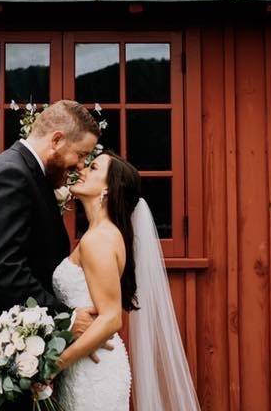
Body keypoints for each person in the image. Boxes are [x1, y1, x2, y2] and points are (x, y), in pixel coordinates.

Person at [0, 100, 113, 411]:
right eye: (81, 154)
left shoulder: (27, 173)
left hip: (19, 348)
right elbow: (4, 269)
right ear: (57, 140)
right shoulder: (11, 177)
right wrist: (68, 317)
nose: (80, 165)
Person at [51, 149, 202, 410]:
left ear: (108, 189)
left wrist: (54, 365)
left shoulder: (98, 239)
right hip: (86, 363)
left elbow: (111, 318)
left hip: (92, 372)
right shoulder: (103, 233)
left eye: (93, 168)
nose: (82, 170)